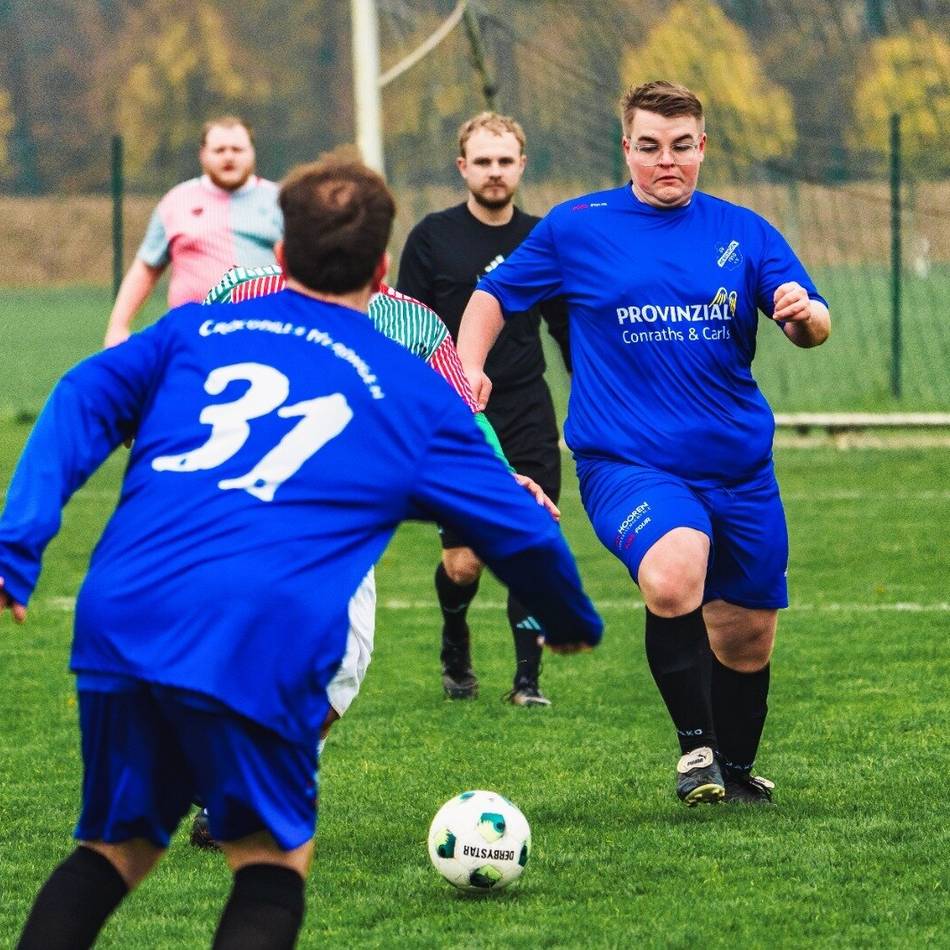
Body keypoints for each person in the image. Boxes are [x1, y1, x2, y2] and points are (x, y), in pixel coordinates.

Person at [0, 154, 602, 949]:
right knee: (270, 861)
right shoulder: (402, 374)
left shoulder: (195, 327)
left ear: (278, 254)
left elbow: (80, 395)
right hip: (263, 623)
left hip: (125, 606)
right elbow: (516, 524)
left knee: (113, 851)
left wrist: (15, 548)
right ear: (384, 267)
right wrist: (567, 617)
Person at [457, 81, 830, 807]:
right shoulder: (578, 226)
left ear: (702, 148)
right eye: (651, 147)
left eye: (682, 147)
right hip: (628, 462)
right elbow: (493, 296)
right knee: (672, 574)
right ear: (626, 148)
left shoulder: (745, 232)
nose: (668, 162)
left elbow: (809, 323)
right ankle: (696, 754)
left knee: (745, 638)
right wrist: (469, 364)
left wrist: (803, 312)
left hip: (739, 467)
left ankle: (735, 767)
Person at [187, 262, 559, 851]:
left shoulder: (412, 325)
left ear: (379, 260)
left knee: (335, 666)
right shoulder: (241, 290)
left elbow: (461, 419)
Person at [398, 111, 572, 708]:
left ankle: (527, 683)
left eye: (505, 161)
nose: (495, 172)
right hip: (456, 418)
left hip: (527, 409)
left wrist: (591, 397)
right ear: (463, 167)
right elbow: (406, 332)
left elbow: (567, 329)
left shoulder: (544, 238)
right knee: (465, 561)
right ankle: (455, 638)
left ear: (522, 165)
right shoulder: (430, 238)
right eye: (483, 161)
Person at [103, 116, 283, 348]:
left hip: (263, 335)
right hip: (190, 338)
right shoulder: (176, 201)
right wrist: (118, 325)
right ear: (203, 154)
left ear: (252, 152)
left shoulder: (282, 201)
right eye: (219, 150)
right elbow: (146, 267)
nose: (229, 156)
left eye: (237, 149)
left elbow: (303, 272)